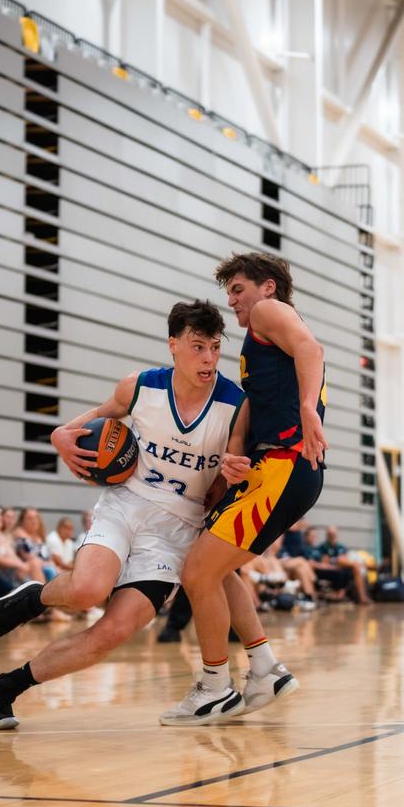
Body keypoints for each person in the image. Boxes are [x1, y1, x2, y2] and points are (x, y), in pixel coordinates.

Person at [0, 300, 283, 729]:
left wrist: (233, 470)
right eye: (197, 347)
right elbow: (89, 423)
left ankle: (4, 689)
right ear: (173, 345)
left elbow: (235, 462)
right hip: (125, 504)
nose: (208, 358)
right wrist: (62, 437)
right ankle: (33, 597)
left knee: (111, 634)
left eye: (214, 347)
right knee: (86, 591)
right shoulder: (138, 387)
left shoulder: (235, 403)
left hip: (177, 531)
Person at [162, 251, 328, 725]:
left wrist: (310, 410)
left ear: (267, 287)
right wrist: (233, 450)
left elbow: (312, 352)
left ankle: (215, 686)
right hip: (269, 467)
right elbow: (255, 401)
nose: (233, 301)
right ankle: (264, 668)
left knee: (197, 571)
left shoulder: (267, 312)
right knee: (217, 568)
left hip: (285, 464)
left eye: (237, 289)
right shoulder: (260, 338)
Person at [0, 508, 42, 585]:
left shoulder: (0, 536)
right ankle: (37, 592)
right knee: (30, 567)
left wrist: (22, 565)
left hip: (8, 569)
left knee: (34, 563)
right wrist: (21, 565)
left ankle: (40, 591)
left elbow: (11, 554)